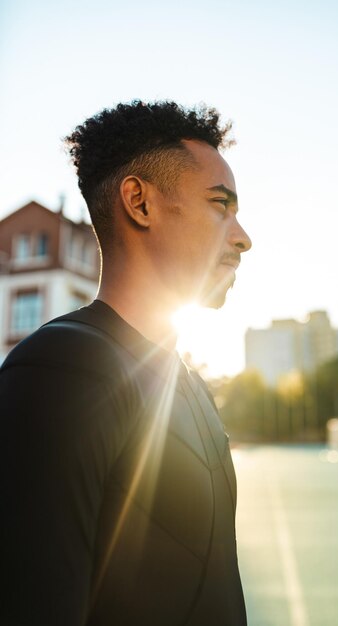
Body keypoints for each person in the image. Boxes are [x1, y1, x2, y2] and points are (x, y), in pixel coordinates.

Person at [0, 100, 251, 626]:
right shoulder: (58, 374)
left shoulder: (187, 385)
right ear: (139, 202)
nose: (242, 236)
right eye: (219, 204)